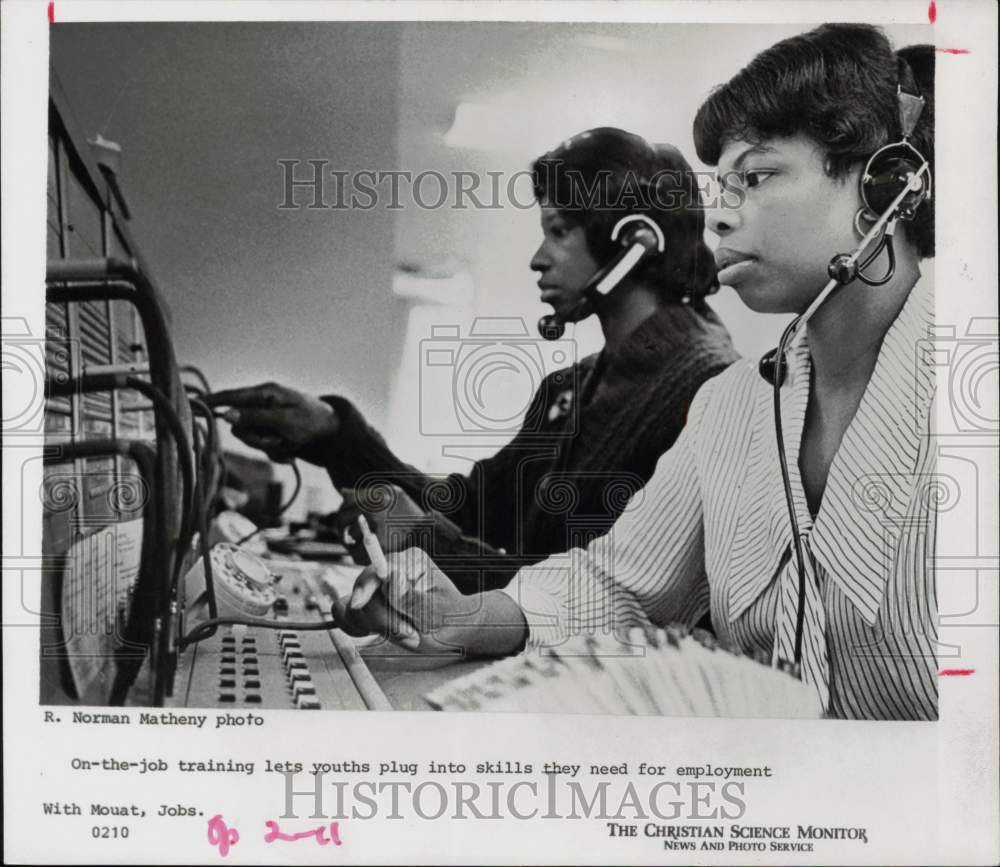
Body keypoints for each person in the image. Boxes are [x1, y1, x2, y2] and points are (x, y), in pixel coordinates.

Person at [331, 24, 939, 722]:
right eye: (722, 182)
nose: (720, 214)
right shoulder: (732, 406)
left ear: (888, 184)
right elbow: (616, 586)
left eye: (758, 176)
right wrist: (463, 617)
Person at [208, 128, 738, 592]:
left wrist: (425, 540)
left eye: (558, 232)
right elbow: (471, 509)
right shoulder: (569, 388)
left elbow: (600, 595)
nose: (538, 258)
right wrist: (331, 434)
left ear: (634, 243)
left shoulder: (708, 389)